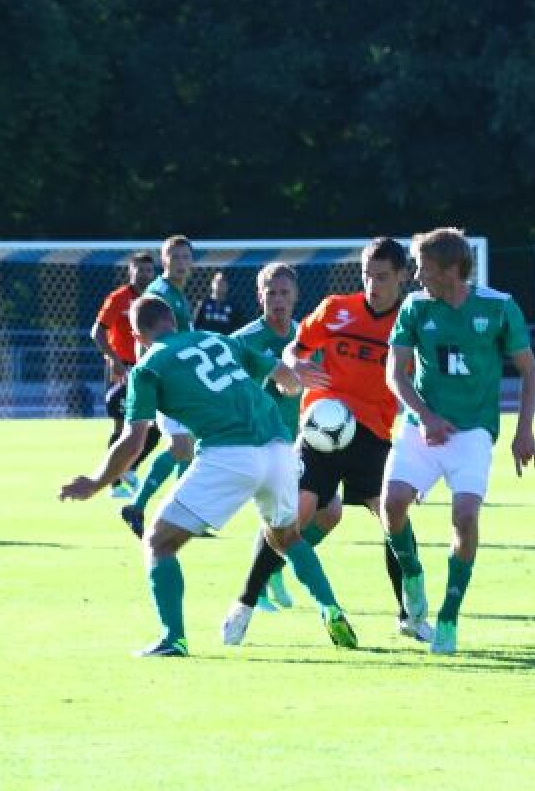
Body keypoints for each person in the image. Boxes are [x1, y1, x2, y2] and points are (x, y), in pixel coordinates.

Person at [59, 295, 358, 656]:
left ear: (137, 337)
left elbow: (133, 441)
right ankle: (330, 608)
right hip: (280, 448)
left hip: (229, 454)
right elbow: (282, 373)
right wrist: (292, 384)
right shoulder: (217, 339)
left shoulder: (148, 367)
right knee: (287, 537)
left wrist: (95, 482)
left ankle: (173, 638)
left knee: (158, 542)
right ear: (173, 321)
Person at [222, 237, 429, 646]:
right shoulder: (336, 309)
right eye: (367, 275)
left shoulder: (411, 322)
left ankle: (409, 616)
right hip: (321, 431)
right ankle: (244, 605)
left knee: (393, 518)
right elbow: (294, 351)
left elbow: (423, 379)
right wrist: (296, 367)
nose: (372, 285)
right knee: (291, 516)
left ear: (402, 276)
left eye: (382, 277)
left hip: (373, 435)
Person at [380, 227, 535, 655]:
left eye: (424, 268)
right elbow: (395, 373)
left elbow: (529, 369)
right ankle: (412, 578)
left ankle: (449, 615)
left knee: (465, 517)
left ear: (451, 269)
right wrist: (426, 416)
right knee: (392, 504)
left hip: (473, 432)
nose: (416, 276)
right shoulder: (415, 307)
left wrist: (524, 430)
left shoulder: (499, 306)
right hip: (421, 426)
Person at [229, 262, 342, 612]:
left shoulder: (306, 339)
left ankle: (275, 566)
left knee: (330, 512)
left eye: (284, 292)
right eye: (271, 293)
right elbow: (232, 393)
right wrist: (273, 380)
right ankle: (258, 588)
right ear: (259, 296)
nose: (278, 299)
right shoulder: (243, 342)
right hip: (259, 442)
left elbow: (321, 386)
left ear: (296, 296)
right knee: (282, 513)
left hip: (301, 441)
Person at [120, 236, 198, 535]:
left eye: (185, 257)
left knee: (189, 446)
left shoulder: (176, 294)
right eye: (174, 257)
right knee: (181, 446)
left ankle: (182, 512)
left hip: (182, 381)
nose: (180, 263)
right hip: (167, 382)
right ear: (163, 261)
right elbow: (141, 337)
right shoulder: (159, 294)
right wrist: (147, 379)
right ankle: (137, 506)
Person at [90, 250, 159, 497]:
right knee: (122, 426)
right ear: (131, 272)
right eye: (140, 270)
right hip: (122, 368)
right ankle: (115, 485)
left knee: (156, 426)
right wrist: (114, 360)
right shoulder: (118, 298)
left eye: (149, 270)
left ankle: (128, 469)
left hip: (148, 369)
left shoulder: (156, 300)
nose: (145, 275)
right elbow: (97, 332)